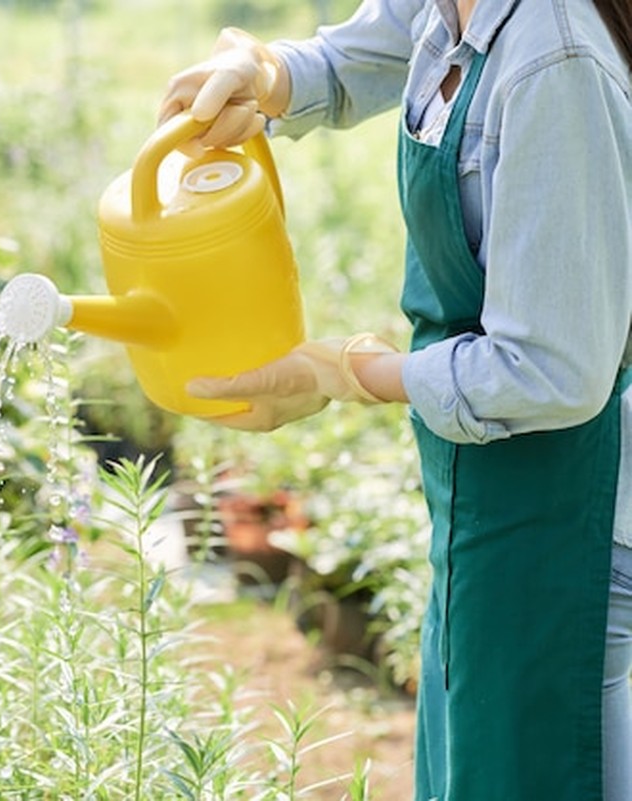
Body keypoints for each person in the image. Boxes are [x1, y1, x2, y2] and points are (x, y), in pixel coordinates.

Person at [158, 0, 632, 798]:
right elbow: (358, 55)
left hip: (567, 530)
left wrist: (347, 371)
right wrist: (267, 75)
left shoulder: (554, 60)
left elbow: (552, 369)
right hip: (486, 511)